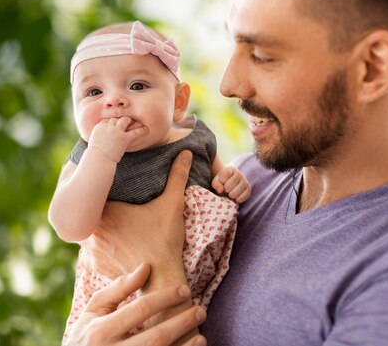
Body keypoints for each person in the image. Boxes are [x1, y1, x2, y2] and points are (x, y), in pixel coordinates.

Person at [70, 0, 388, 345]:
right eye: (235, 42)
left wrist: (156, 271)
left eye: (262, 55)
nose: (229, 84)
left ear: (372, 67)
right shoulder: (240, 189)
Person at [48, 21, 250, 342]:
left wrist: (229, 179)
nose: (113, 101)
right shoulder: (86, 157)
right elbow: (68, 226)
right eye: (94, 92)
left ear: (179, 102)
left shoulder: (196, 136)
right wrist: (101, 154)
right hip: (123, 297)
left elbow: (216, 174)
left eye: (138, 86)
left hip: (210, 284)